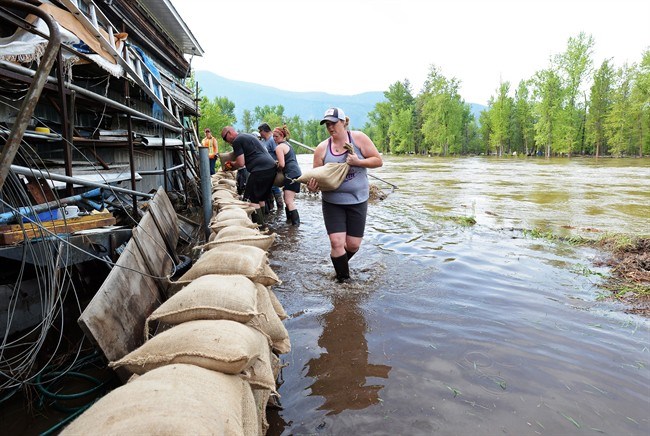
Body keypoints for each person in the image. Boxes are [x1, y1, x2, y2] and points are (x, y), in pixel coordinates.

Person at [307, 107, 383, 282]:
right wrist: (313, 187)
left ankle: (337, 265)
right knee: (336, 243)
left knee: (353, 245)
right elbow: (317, 175)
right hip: (332, 201)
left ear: (344, 122)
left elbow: (378, 161)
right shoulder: (322, 149)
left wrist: (358, 161)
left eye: (333, 123)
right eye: (327, 124)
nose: (330, 127)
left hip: (358, 200)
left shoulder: (359, 138)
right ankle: (344, 281)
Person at [220, 126, 277, 227]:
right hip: (271, 167)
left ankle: (260, 227)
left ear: (229, 133)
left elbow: (241, 163)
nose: (226, 141)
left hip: (259, 169)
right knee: (261, 199)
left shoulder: (237, 141)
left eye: (225, 139)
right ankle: (264, 222)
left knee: (251, 200)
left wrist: (231, 164)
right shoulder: (247, 136)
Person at [272, 125, 302, 225]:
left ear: (281, 135)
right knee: (287, 199)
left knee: (289, 201)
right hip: (296, 173)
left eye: (276, 136)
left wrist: (277, 169)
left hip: (290, 174)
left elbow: (282, 164)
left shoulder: (279, 147)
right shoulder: (288, 145)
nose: (274, 139)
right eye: (273, 136)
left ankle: (295, 225)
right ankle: (290, 224)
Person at [258, 123, 284, 212]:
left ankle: (280, 207)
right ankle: (271, 208)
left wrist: (278, 165)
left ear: (264, 131)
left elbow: (278, 153)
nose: (260, 133)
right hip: (267, 169)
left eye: (260, 131)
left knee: (274, 187)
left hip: (273, 167)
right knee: (269, 188)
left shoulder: (272, 140)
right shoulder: (265, 141)